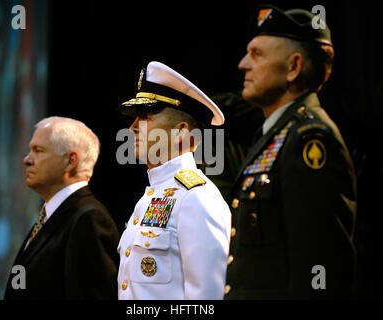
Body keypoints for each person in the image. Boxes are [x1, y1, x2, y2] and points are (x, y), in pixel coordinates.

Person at [225, 4, 357, 299]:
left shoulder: (310, 139)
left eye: (257, 54)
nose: (243, 64)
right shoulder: (275, 134)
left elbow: (321, 266)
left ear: (293, 67)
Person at [116, 61, 231, 299]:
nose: (133, 127)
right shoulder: (149, 198)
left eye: (145, 117)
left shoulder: (196, 197)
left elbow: (207, 299)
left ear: (181, 132)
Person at [4, 116, 120, 299]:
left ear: (71, 161)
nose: (27, 159)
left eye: (38, 151)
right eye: (30, 150)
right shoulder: (54, 214)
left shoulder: (88, 219)